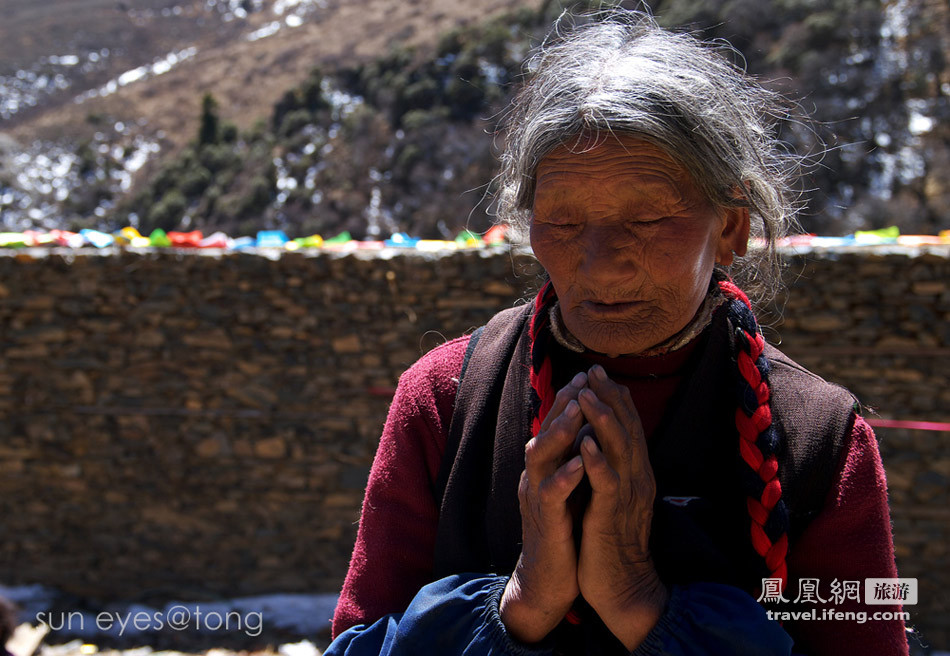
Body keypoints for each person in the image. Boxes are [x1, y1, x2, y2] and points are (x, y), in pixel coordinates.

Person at [326, 9, 908, 655]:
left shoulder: (818, 436)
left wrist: (638, 598)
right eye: (565, 223)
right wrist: (523, 602)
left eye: (650, 219)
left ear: (731, 228)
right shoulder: (445, 399)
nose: (600, 262)